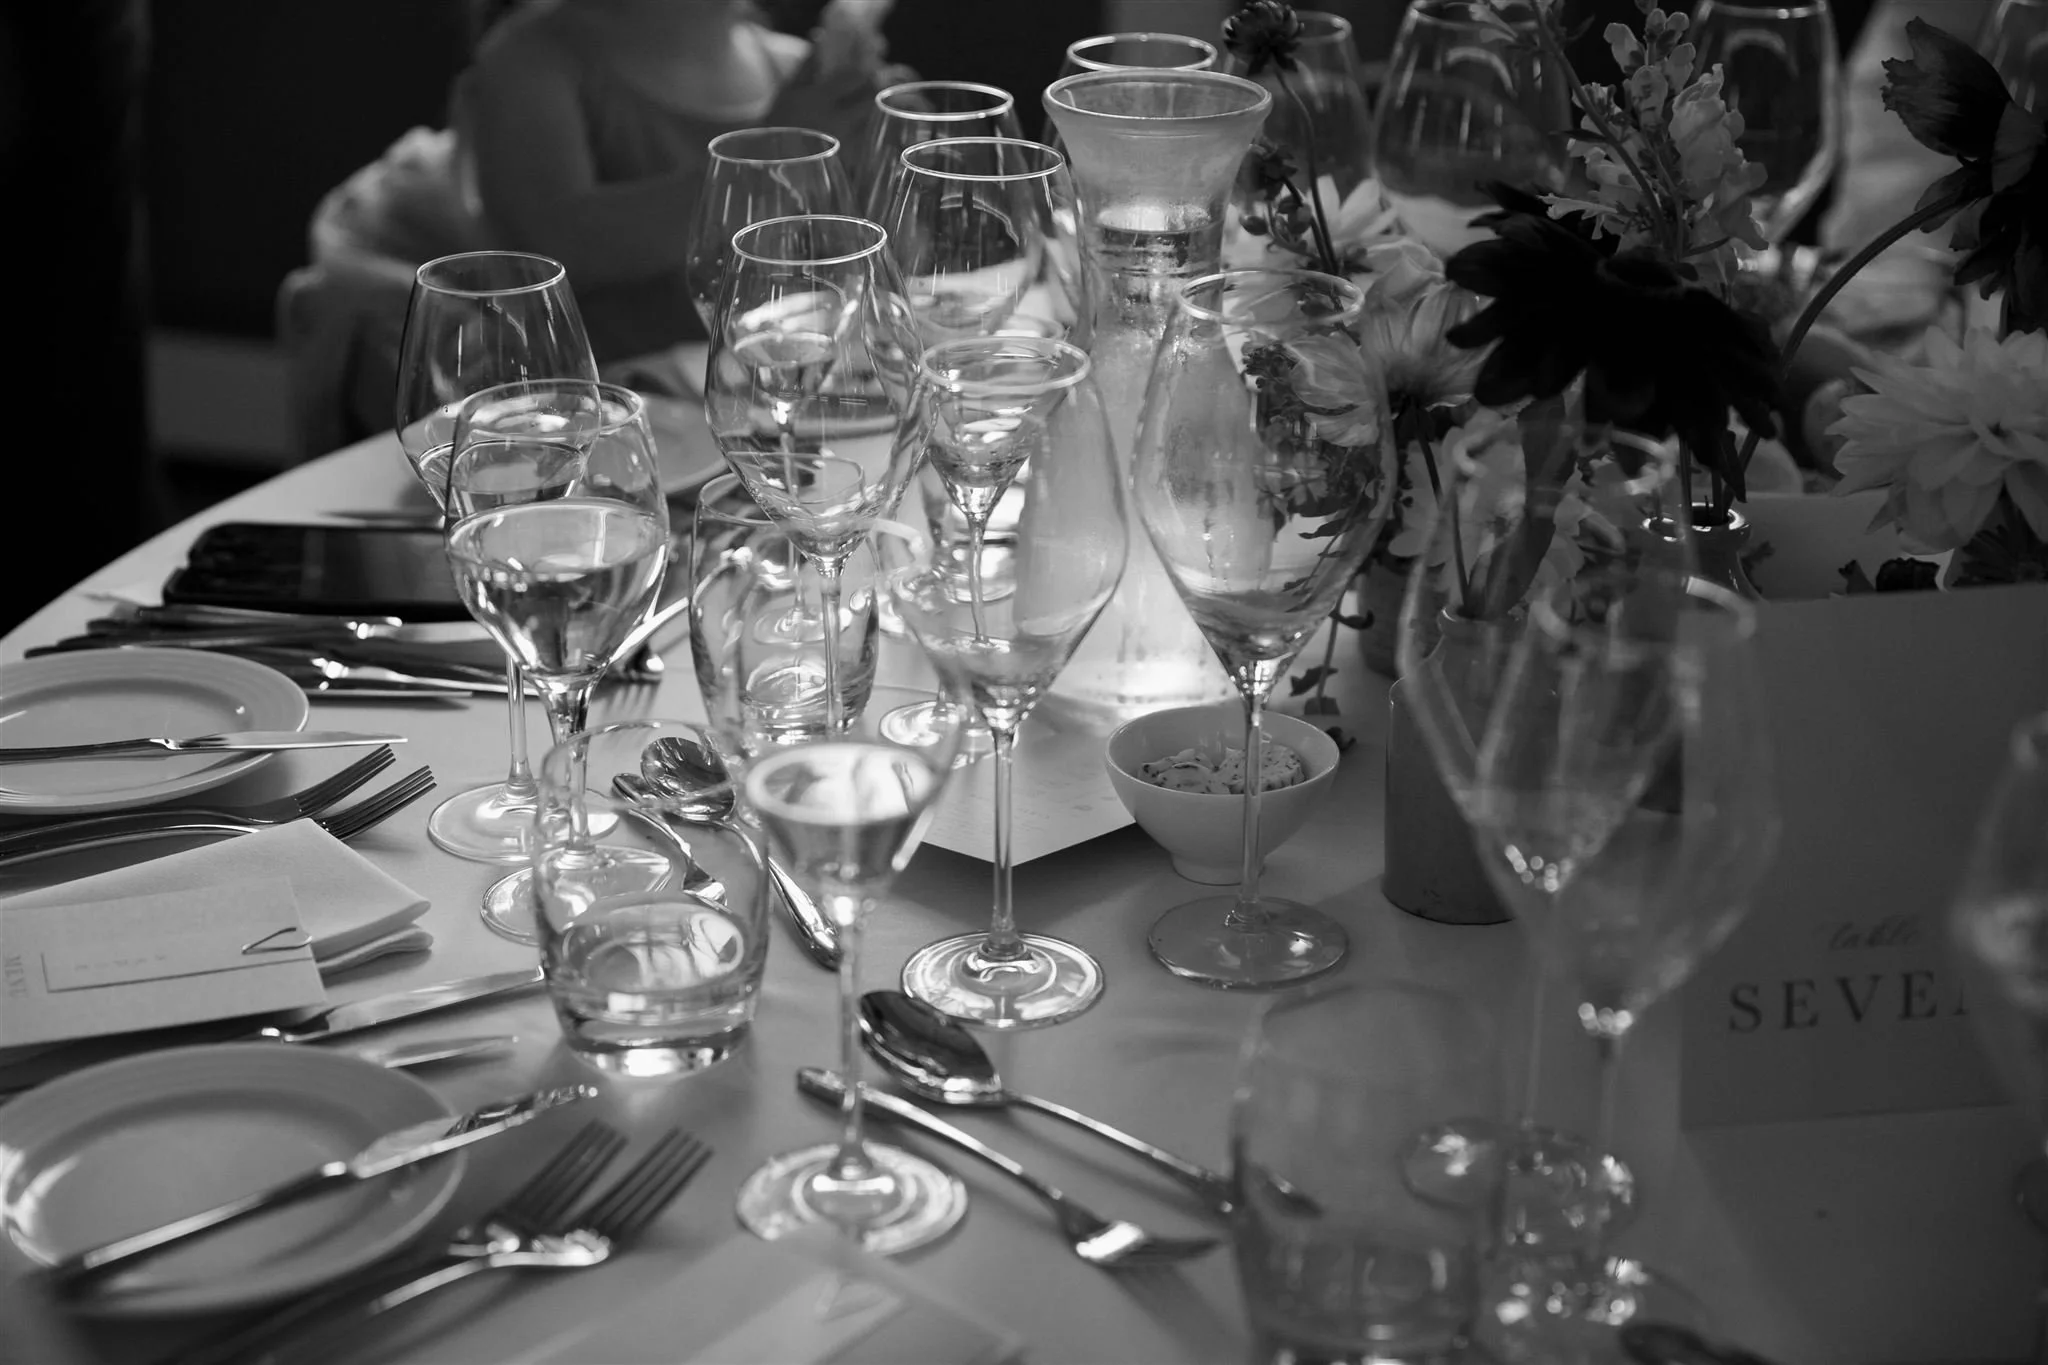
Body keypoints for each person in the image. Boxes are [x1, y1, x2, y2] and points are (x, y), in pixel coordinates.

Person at [452, 0, 904, 363]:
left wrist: (893, 169)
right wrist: (769, 160)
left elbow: (859, 271)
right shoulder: (532, 60)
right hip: (608, 413)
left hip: (771, 401)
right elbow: (552, 247)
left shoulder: (788, 64)